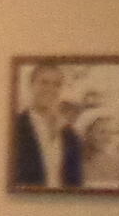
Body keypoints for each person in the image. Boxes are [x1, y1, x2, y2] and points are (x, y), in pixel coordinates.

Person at [12, 61, 83, 190]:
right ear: (31, 85)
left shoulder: (70, 134)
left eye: (56, 84)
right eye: (44, 82)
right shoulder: (14, 128)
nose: (50, 89)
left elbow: (76, 183)